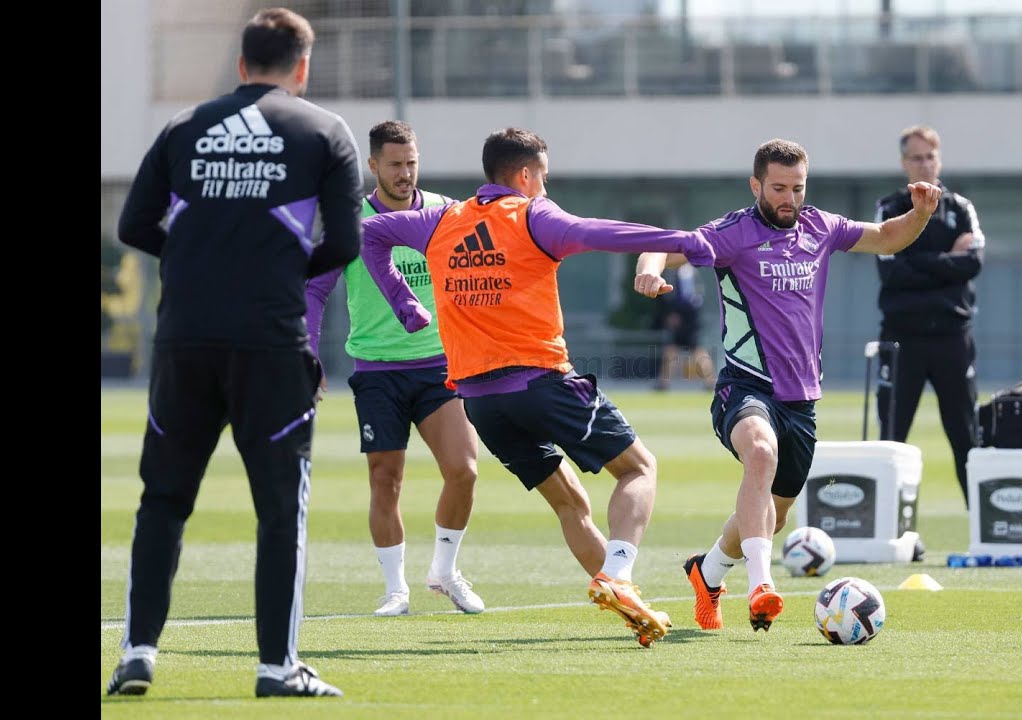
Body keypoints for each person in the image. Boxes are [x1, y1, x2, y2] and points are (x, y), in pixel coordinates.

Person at [359, 127, 716, 647]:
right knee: (639, 468)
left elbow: (371, 235)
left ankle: (627, 600)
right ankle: (617, 572)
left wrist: (401, 299)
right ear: (524, 176)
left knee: (570, 501)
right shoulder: (533, 215)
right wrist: (681, 241)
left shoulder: (441, 220)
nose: (546, 188)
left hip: (480, 404)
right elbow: (599, 232)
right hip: (541, 383)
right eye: (543, 178)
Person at [109, 8, 357, 698]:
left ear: (242, 64)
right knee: (281, 510)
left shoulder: (184, 127)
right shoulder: (323, 131)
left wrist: (201, 263)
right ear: (301, 67)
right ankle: (278, 668)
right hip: (269, 344)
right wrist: (272, 271)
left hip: (184, 340)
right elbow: (343, 242)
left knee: (162, 501)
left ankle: (137, 654)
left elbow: (134, 224)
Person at [634, 139, 940, 633]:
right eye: (778, 188)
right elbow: (667, 244)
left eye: (797, 188)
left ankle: (707, 572)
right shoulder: (734, 232)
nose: (788, 198)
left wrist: (921, 213)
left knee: (767, 515)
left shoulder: (820, 226)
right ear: (756, 185)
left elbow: (885, 236)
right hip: (744, 385)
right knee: (760, 453)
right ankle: (761, 586)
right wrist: (648, 272)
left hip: (801, 400)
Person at [305, 120, 484, 618]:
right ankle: (395, 591)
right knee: (386, 480)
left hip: (441, 368)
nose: (405, 174)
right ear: (373, 166)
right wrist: (309, 354)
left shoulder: (446, 213)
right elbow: (315, 289)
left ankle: (445, 572)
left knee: (464, 471)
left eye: (412, 163)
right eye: (395, 165)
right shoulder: (350, 220)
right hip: (378, 370)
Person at [873, 125, 985, 507]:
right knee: (891, 438)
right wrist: (947, 262)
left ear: (939, 159)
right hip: (902, 339)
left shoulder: (961, 208)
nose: (924, 164)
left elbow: (972, 263)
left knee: (966, 436)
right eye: (916, 157)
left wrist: (918, 262)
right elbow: (891, 271)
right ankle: (883, 528)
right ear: (905, 163)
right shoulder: (889, 209)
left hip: (953, 337)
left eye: (930, 156)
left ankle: (980, 528)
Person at [651, 259, 716, 391]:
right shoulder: (671, 273)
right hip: (678, 315)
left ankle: (711, 382)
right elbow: (667, 297)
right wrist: (670, 314)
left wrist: (682, 313)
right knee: (671, 349)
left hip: (690, 317)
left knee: (696, 349)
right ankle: (663, 383)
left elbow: (695, 296)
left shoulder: (690, 272)